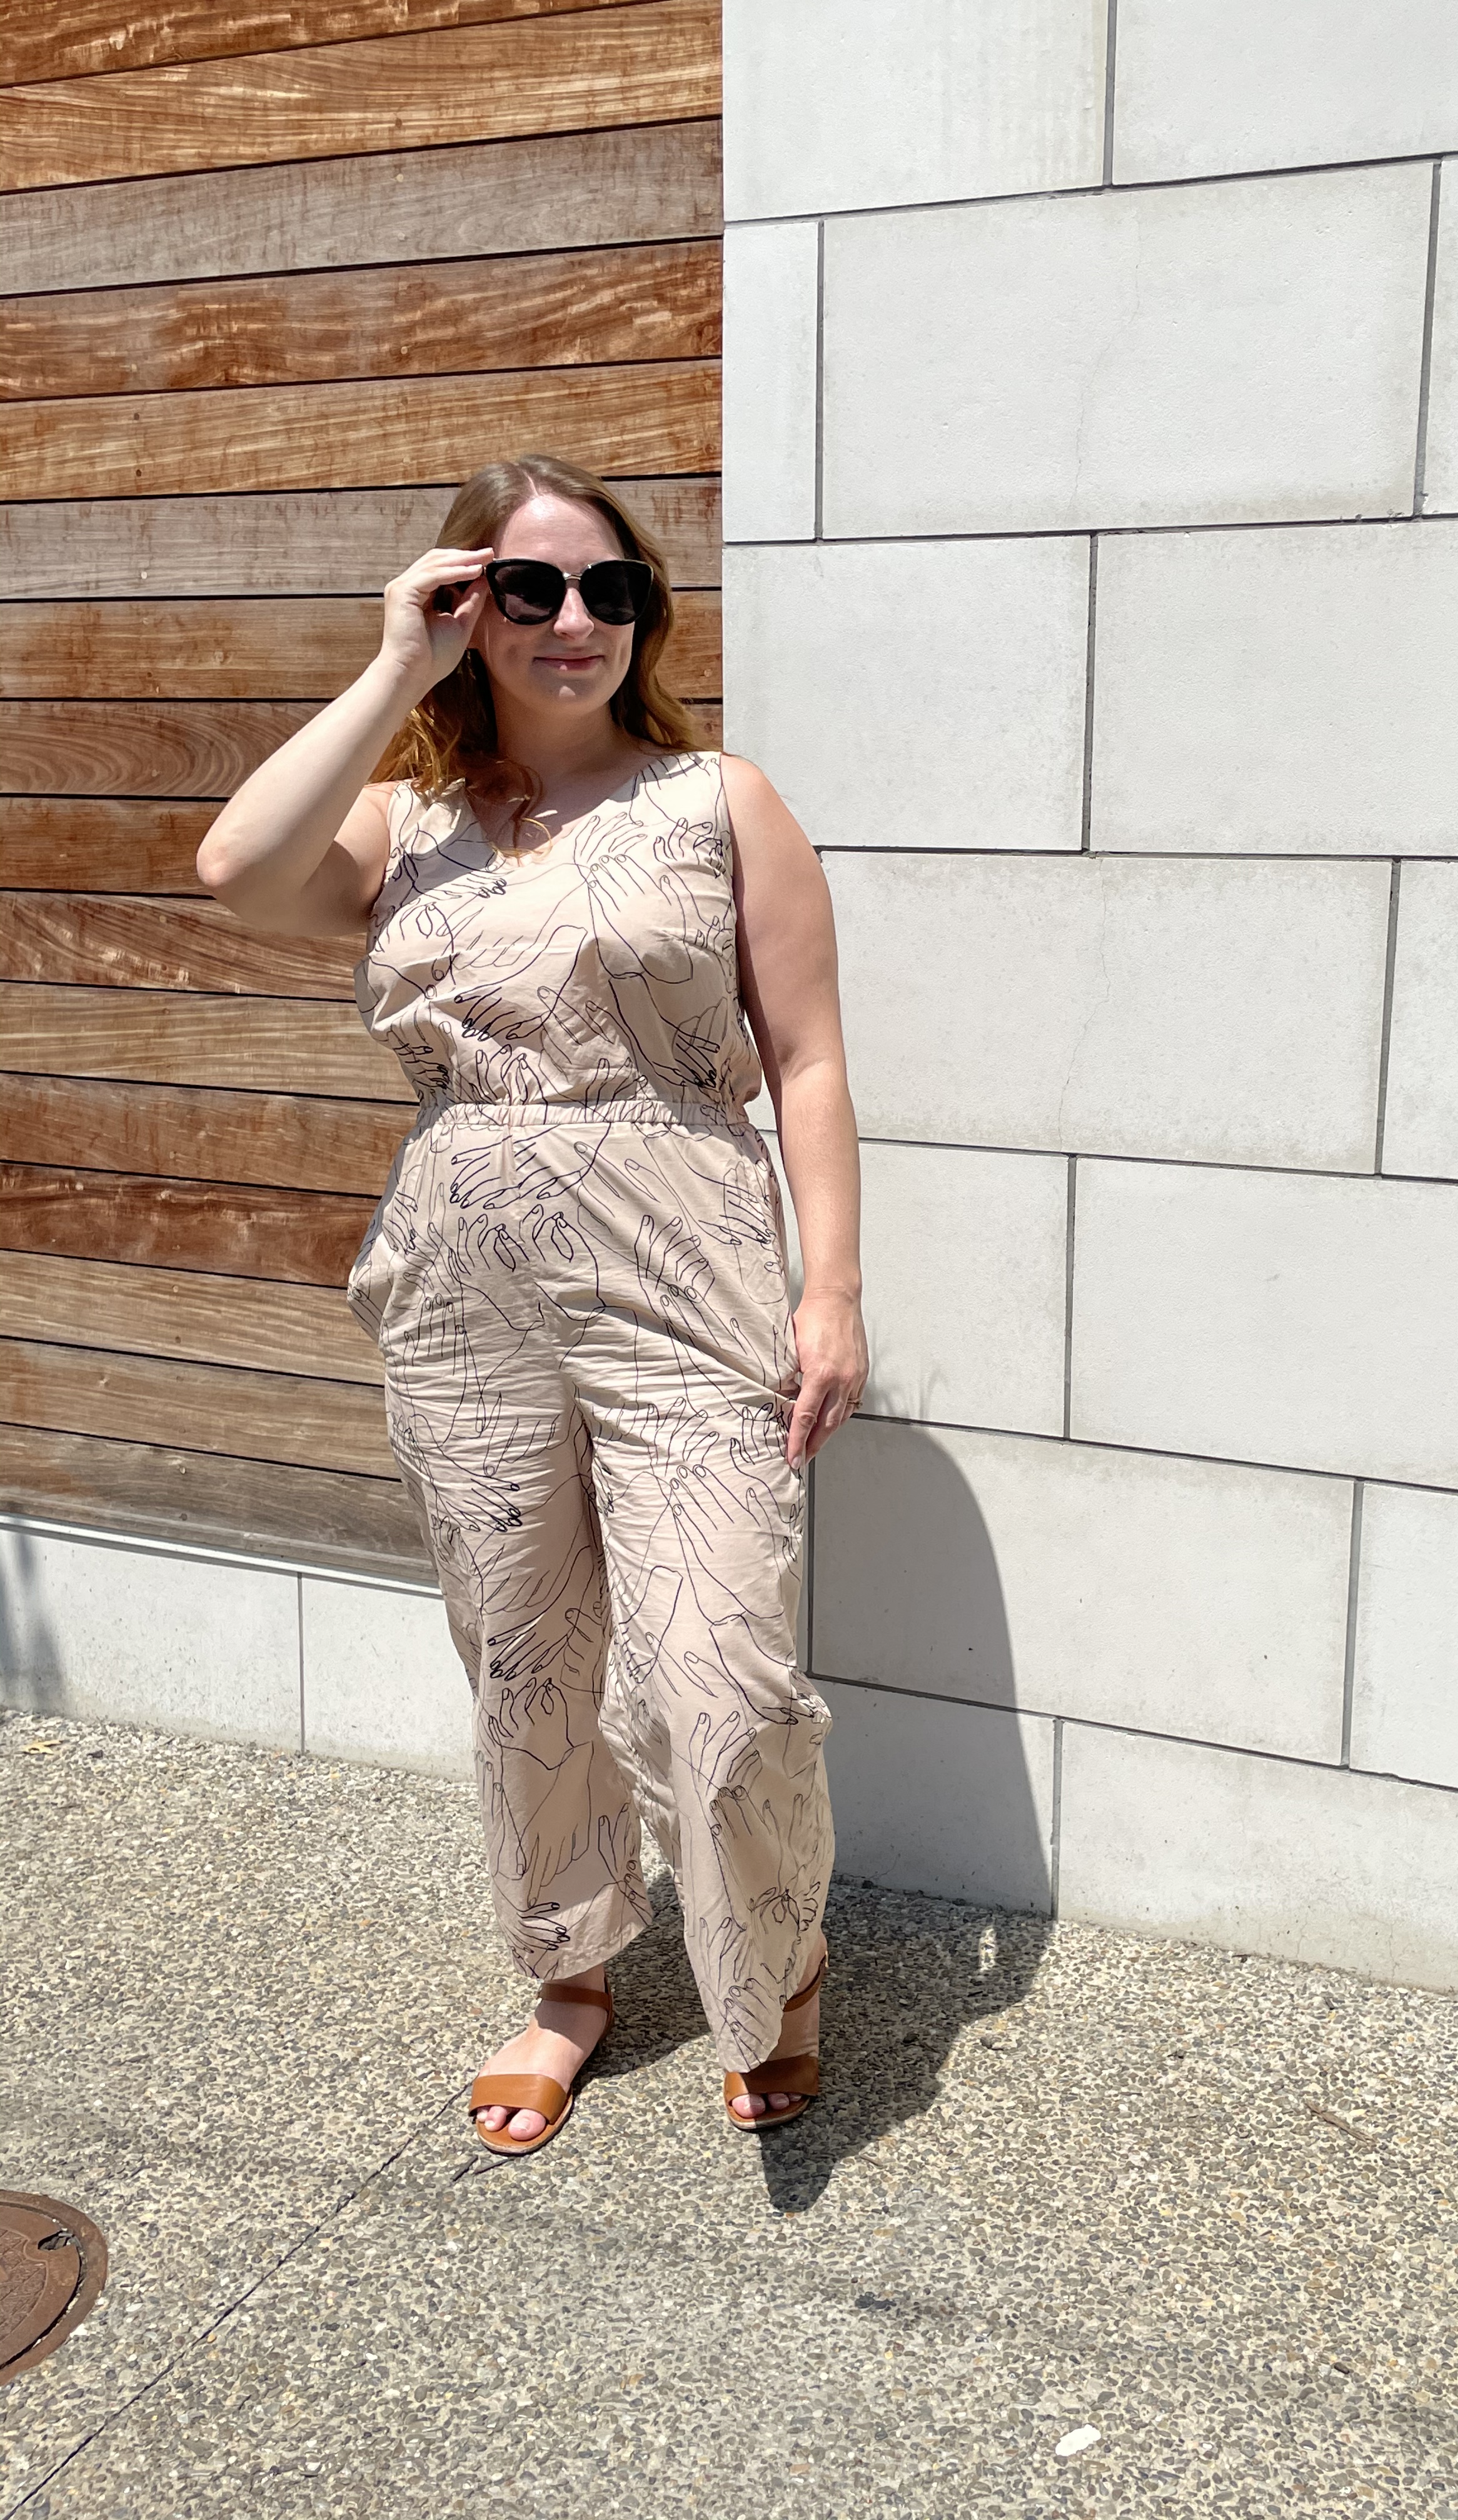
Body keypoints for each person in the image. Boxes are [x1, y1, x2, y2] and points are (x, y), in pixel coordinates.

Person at [196, 453, 867, 2151]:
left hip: (683, 1261)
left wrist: (834, 1290)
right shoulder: (405, 825)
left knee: (716, 1669)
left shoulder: (720, 801)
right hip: (460, 1282)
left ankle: (775, 1960)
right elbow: (233, 870)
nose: (575, 622)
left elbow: (805, 1058)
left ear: (644, 613)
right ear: (464, 605)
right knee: (524, 1656)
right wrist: (389, 675)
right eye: (527, 589)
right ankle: (570, 1978)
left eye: (608, 590)